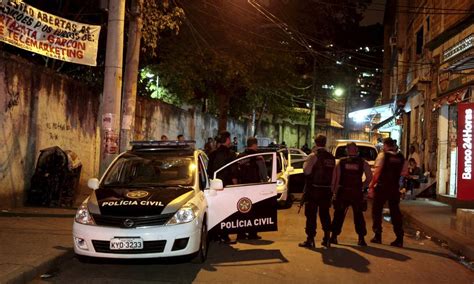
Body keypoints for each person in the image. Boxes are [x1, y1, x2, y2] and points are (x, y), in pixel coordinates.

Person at [330, 142, 373, 246]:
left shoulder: (341, 162)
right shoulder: (363, 162)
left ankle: (334, 237)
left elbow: (336, 178)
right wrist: (363, 186)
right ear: (357, 150)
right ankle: (361, 239)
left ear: (346, 151)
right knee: (358, 216)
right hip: (356, 192)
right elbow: (369, 177)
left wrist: (334, 191)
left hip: (343, 192)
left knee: (339, 215)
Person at [368, 137, 408, 247]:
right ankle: (399, 238)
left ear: (385, 145)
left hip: (382, 187)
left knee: (376, 211)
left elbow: (377, 173)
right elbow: (404, 173)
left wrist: (371, 186)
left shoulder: (383, 156)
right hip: (394, 188)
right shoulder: (401, 158)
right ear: (394, 145)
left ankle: (377, 236)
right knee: (395, 212)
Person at [299, 135, 335, 248]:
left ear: (315, 142)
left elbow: (306, 171)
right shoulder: (331, 157)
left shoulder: (313, 156)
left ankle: (310, 240)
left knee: (311, 215)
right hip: (327, 190)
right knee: (325, 214)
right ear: (325, 143)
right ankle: (327, 238)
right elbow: (334, 176)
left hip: (314, 190)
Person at [207, 131, 238, 243]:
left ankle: (214, 236)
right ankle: (225, 236)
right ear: (227, 140)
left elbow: (209, 172)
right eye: (229, 139)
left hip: (213, 188)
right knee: (226, 213)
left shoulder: (212, 154)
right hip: (226, 188)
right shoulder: (231, 154)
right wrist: (236, 187)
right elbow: (233, 172)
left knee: (214, 211)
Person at [236, 137, 268, 240]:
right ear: (255, 145)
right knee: (254, 211)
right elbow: (264, 174)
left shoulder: (241, 157)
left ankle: (240, 234)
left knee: (242, 210)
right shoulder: (258, 157)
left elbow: (236, 171)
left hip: (243, 187)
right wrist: (266, 183)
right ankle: (252, 233)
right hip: (255, 187)